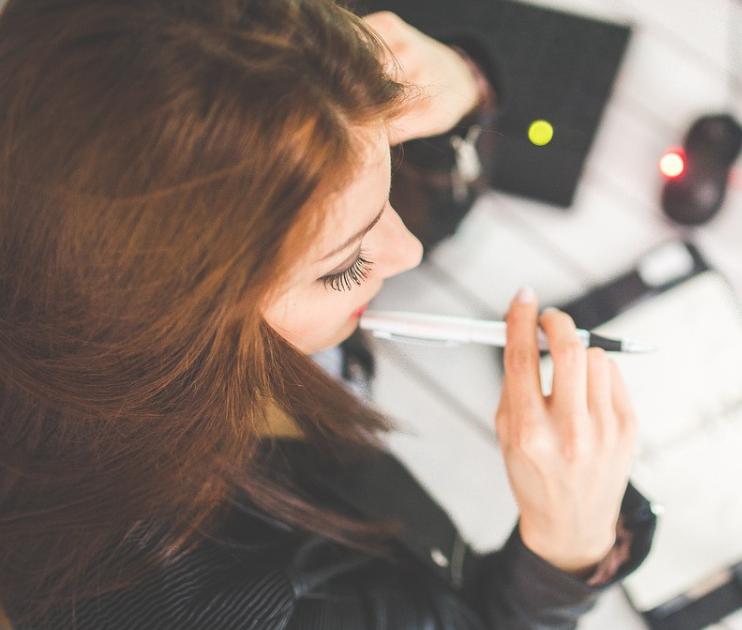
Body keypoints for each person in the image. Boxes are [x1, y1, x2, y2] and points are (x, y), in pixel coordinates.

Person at [0, 0, 655, 628]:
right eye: (342, 266)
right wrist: (564, 551)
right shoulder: (207, 606)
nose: (408, 251)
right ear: (176, 323)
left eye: (387, 173)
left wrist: (462, 88)